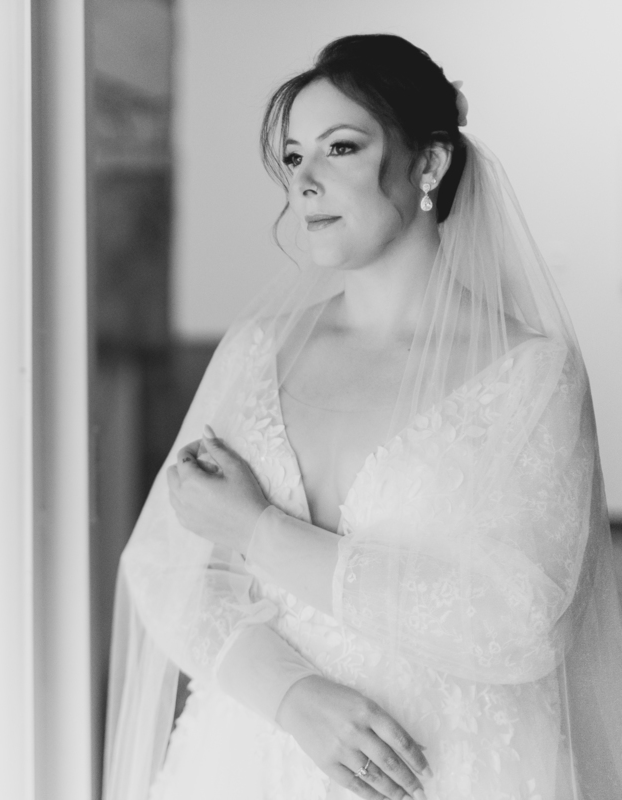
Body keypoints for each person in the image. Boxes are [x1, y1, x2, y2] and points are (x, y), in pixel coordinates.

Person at [104, 34, 622, 800]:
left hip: (447, 769)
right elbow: (165, 569)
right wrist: (294, 698)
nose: (304, 181)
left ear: (430, 163)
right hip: (249, 759)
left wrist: (258, 531)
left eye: (340, 148)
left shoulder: (531, 375)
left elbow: (524, 626)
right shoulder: (257, 351)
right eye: (293, 157)